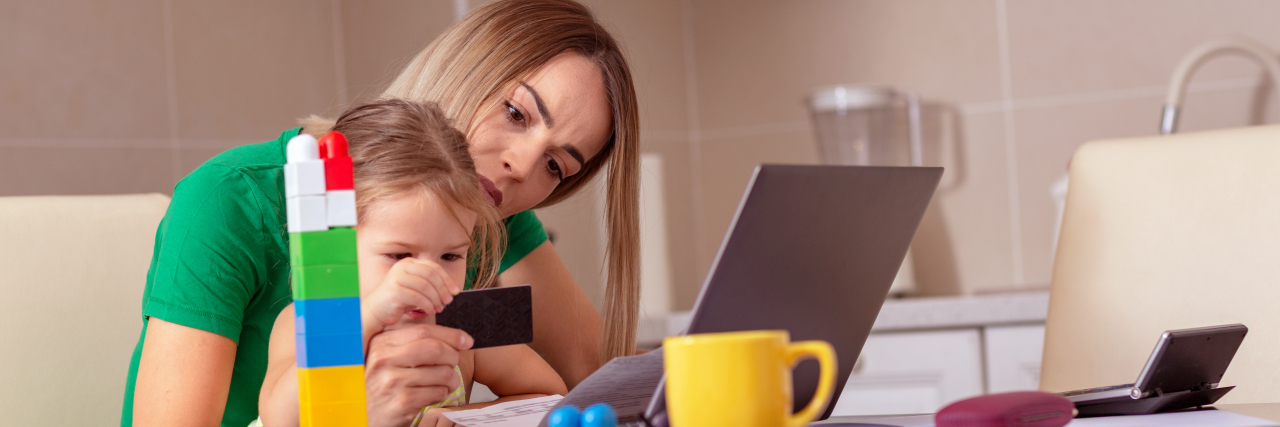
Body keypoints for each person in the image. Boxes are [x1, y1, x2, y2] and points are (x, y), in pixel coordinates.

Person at [124, 0, 640, 426]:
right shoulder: (231, 201)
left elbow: (593, 378)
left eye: (555, 165)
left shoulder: (485, 224)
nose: (521, 167)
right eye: (515, 113)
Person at [254, 100, 567, 427]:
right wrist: (371, 314)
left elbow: (549, 395)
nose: (427, 276)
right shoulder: (311, 320)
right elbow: (281, 418)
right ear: (339, 244)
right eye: (399, 256)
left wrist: (458, 417)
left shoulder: (464, 320)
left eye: (450, 256)